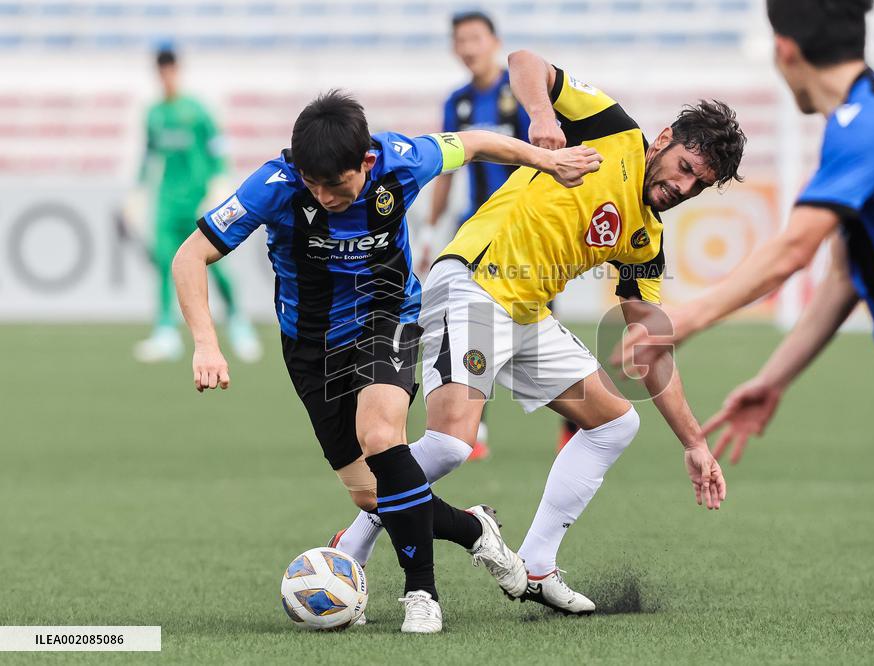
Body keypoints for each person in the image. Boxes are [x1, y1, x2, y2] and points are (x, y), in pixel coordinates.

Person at [614, 0, 874, 632]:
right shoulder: (870, 119)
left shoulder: (864, 126)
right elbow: (847, 273)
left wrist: (682, 320)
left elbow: (795, 249)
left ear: (785, 50)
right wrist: (776, 378)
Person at [170, 90, 601, 633]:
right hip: (309, 345)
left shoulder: (400, 158)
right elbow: (191, 255)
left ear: (366, 163)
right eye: (313, 183)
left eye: (337, 184)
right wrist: (206, 343)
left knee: (381, 437)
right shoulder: (275, 184)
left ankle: (421, 593)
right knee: (373, 494)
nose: (324, 195)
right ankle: (474, 530)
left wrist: (548, 159)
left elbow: (474, 144)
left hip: (388, 317)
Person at [331, 50, 742, 615]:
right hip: (474, 286)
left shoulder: (646, 241)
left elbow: (652, 351)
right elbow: (525, 61)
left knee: (616, 424)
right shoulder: (614, 131)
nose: (685, 187)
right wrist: (543, 116)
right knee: (452, 444)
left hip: (526, 318)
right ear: (663, 138)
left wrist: (695, 444)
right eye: (687, 168)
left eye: (701, 185)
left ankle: (538, 563)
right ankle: (351, 543)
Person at [418, 10, 578, 457]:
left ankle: (573, 424)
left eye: (475, 38)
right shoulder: (458, 102)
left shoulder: (524, 94)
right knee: (471, 323)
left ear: (492, 41)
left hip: (529, 232)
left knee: (543, 322)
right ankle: (475, 432)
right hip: (476, 231)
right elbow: (447, 171)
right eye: (460, 40)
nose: (467, 47)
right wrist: (430, 231)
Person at [133, 48, 261, 364]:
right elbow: (148, 156)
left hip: (198, 201)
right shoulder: (153, 114)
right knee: (165, 265)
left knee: (213, 266)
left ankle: (237, 321)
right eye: (161, 71)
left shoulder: (197, 111)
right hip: (166, 202)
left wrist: (219, 183)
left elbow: (218, 149)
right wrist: (137, 191)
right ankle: (165, 331)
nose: (166, 77)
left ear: (178, 70)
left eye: (170, 70)